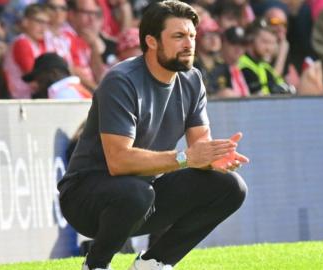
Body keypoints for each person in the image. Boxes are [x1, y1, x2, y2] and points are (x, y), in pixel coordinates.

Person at [57, 1, 249, 269]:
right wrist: (186, 158)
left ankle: (154, 263)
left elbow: (199, 148)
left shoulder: (192, 80)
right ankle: (96, 264)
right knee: (138, 193)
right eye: (179, 36)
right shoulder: (121, 80)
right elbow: (119, 161)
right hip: (85, 198)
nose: (189, 44)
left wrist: (212, 159)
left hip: (143, 194)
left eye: (192, 36)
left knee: (231, 187)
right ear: (152, 41)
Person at [3, 3, 50, 98]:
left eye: (46, 23)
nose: (43, 28)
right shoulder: (22, 42)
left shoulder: (40, 43)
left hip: (35, 95)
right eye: (39, 22)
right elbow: (33, 75)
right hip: (22, 98)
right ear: (25, 22)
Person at [238, 18, 294, 95]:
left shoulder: (264, 66)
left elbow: (281, 85)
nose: (268, 48)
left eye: (272, 43)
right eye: (265, 42)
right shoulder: (243, 65)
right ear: (251, 40)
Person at [22, 52, 92, 99]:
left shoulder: (64, 93)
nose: (38, 85)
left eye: (39, 79)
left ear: (53, 73)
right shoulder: (75, 89)